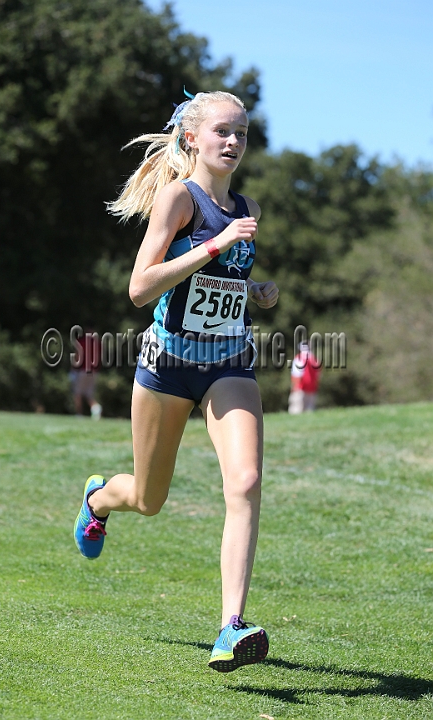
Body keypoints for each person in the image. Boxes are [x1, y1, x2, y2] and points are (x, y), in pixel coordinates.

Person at [74, 89, 279, 672]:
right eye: (222, 131)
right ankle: (99, 499)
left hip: (228, 363)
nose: (234, 141)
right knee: (149, 497)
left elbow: (219, 286)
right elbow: (141, 288)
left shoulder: (247, 205)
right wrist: (216, 243)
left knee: (245, 483)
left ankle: (230, 628)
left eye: (241, 132)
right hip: (167, 366)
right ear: (192, 137)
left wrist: (256, 292)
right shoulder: (178, 199)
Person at [69, 329, 102, 419]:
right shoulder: (97, 342)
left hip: (83, 370)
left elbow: (77, 356)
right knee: (89, 393)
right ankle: (96, 408)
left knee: (77, 393)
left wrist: (73, 368)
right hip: (94, 371)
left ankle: (79, 414)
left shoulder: (82, 341)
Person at [288, 341, 321, 414]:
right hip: (312, 388)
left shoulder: (299, 358)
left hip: (300, 388)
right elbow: (318, 375)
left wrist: (294, 387)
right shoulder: (314, 359)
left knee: (296, 409)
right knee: (310, 410)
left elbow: (297, 374)